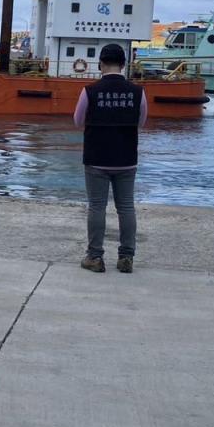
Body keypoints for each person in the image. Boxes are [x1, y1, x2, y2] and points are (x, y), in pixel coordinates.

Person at [73, 43, 147, 274]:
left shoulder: (89, 91)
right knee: (126, 207)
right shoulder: (138, 92)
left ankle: (95, 257)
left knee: (97, 207)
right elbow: (141, 122)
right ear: (124, 64)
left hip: (96, 157)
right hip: (126, 158)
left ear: (100, 63)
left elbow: (77, 120)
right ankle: (126, 258)